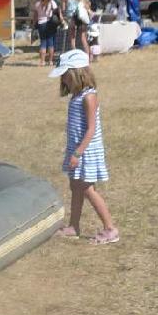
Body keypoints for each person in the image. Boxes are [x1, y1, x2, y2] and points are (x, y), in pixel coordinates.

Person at [49, 50, 119, 244]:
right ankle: (74, 226)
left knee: (87, 188)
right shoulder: (77, 96)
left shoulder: (89, 97)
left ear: (76, 73)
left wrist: (78, 153)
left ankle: (110, 228)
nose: (63, 80)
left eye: (65, 75)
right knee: (75, 186)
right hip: (76, 149)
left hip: (85, 151)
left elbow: (91, 129)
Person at [32, 0, 61, 67]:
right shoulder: (52, 2)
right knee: (51, 43)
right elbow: (57, 12)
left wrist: (34, 26)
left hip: (41, 24)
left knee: (43, 43)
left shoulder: (37, 3)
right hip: (50, 23)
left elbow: (35, 16)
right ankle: (51, 61)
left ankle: (42, 61)